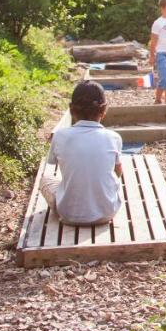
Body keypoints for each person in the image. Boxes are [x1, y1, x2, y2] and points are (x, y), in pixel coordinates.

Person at [40, 81, 123, 225]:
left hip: (68, 214)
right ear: (103, 111)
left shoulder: (60, 136)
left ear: (72, 110)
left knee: (46, 180)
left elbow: (53, 162)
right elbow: (118, 172)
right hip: (107, 213)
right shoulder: (113, 137)